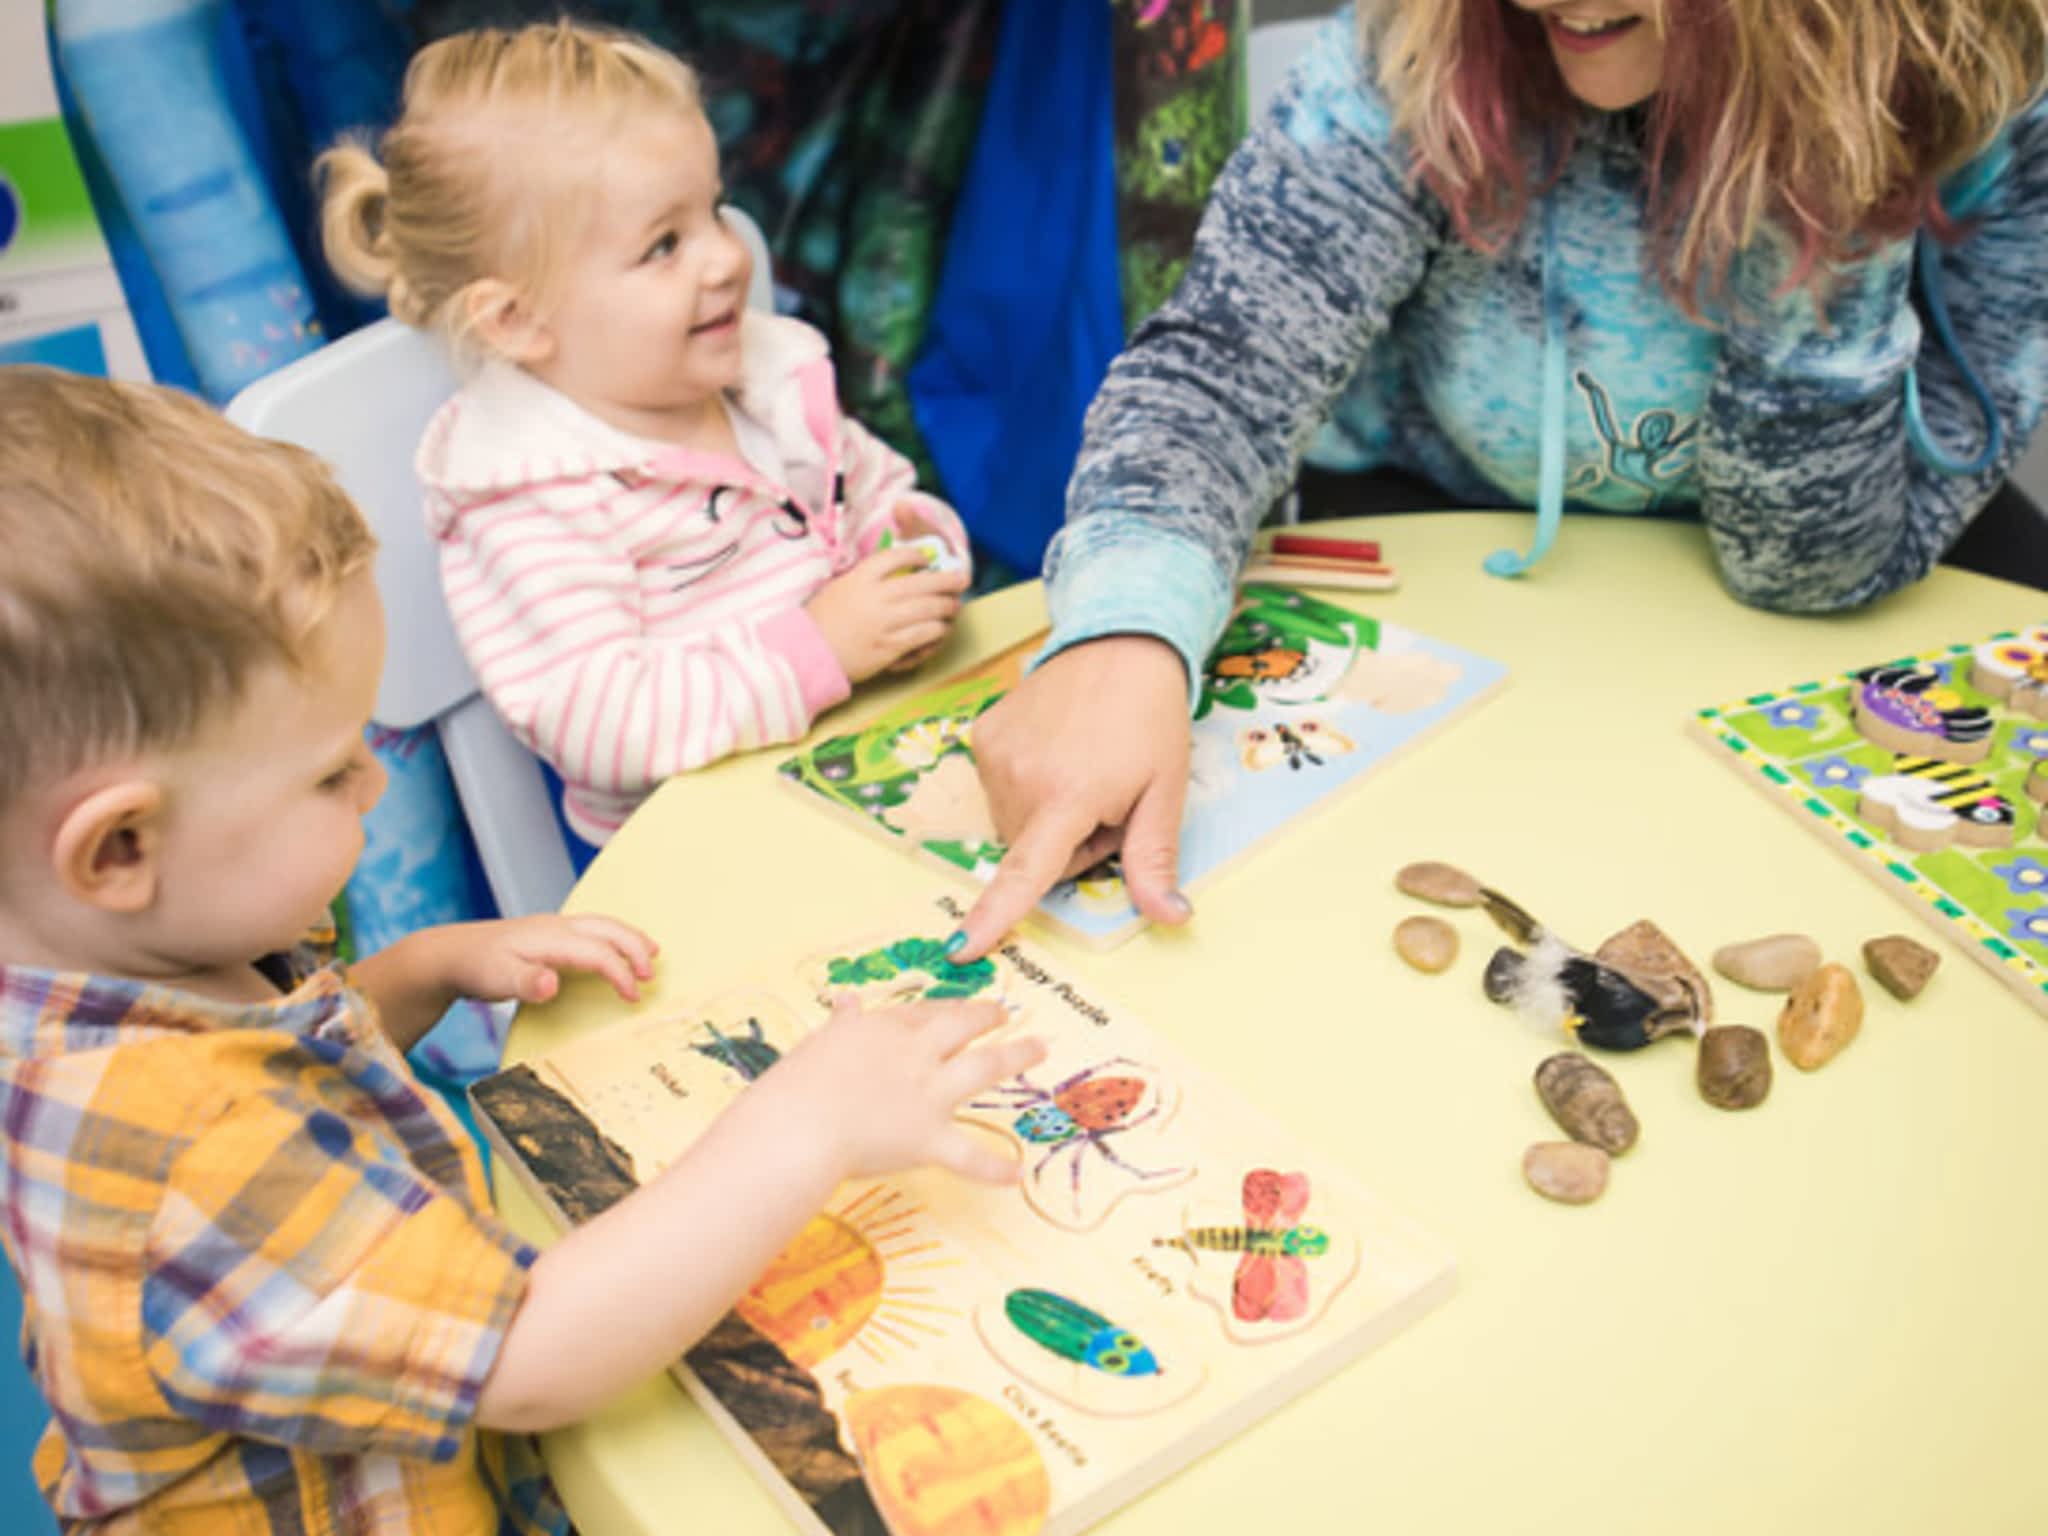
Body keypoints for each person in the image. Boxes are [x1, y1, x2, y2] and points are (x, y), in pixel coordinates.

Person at [0, 368, 1041, 1532]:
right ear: (118, 846)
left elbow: (280, 1050)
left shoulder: (135, 951)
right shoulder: (187, 1147)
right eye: (331, 768)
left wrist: (422, 970)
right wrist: (807, 1123)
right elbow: (531, 1354)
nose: (371, 781)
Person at [948, 0, 2048, 961]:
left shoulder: (1988, 94)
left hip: (1837, 605)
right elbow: (1223, 368)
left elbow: (1807, 566)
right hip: (1439, 528)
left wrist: (1826, 182)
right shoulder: (1414, 46)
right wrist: (1122, 627)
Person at [319, 21, 972, 848]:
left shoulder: (761, 382)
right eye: (664, 244)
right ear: (519, 320)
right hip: (711, 856)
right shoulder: (531, 497)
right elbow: (601, 724)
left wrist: (906, 540)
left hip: (869, 767)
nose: (726, 259)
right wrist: (821, 646)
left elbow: (871, 485)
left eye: (713, 211)